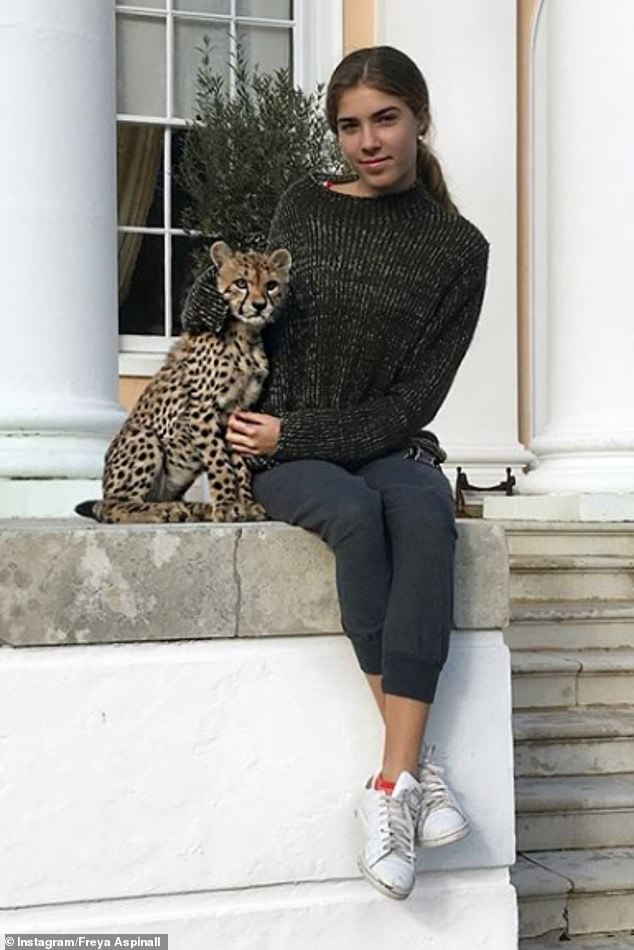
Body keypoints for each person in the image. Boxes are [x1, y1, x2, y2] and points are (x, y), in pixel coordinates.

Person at [184, 45, 489, 901]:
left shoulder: (459, 249)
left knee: (425, 516)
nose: (367, 141)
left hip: (384, 440)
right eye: (349, 125)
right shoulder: (302, 207)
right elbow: (239, 320)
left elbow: (416, 397)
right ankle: (416, 776)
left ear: (420, 118)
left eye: (384, 118)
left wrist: (304, 422)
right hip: (281, 448)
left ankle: (389, 784)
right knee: (355, 516)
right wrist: (220, 301)